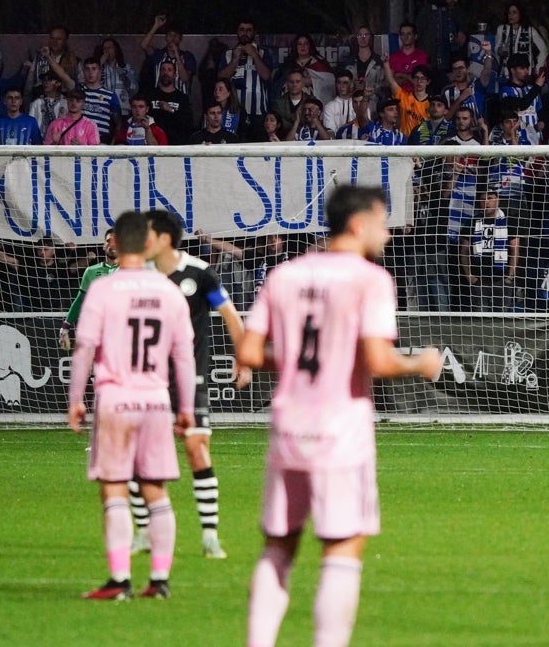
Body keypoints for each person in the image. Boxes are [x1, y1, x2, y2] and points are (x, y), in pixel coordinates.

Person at [236, 185, 443, 647]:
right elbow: (379, 361)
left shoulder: (284, 274)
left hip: (288, 426)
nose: (387, 234)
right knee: (343, 548)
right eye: (382, 223)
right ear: (358, 224)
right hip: (340, 431)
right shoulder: (370, 280)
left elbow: (248, 351)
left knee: (278, 545)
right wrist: (419, 362)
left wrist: (290, 358)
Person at [66, 211, 196, 601]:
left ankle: (120, 579)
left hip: (116, 398)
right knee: (155, 490)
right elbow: (184, 354)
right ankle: (159, 580)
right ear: (148, 243)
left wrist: (75, 399)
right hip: (156, 400)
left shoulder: (104, 288)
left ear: (117, 244)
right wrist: (186, 405)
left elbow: (85, 346)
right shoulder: (168, 290)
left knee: (115, 489)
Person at [124, 210, 246, 560]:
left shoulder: (198, 272)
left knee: (196, 449)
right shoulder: (135, 275)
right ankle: (144, 532)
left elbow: (230, 314)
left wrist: (243, 358)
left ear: (163, 239)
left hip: (190, 377)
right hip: (146, 379)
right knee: (138, 456)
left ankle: (209, 536)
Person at [59, 230, 119, 352]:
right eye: (109, 241)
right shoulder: (91, 271)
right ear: (103, 246)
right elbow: (80, 299)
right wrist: (65, 326)